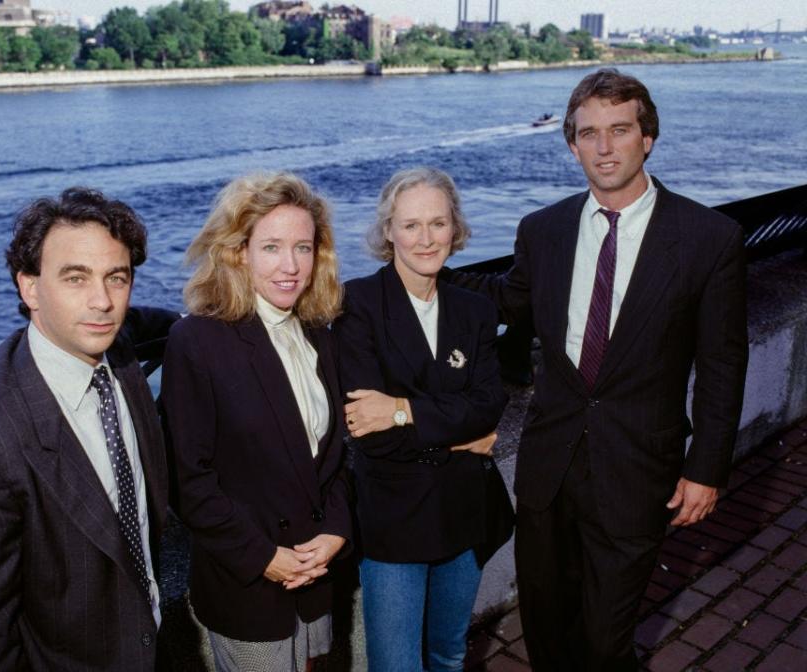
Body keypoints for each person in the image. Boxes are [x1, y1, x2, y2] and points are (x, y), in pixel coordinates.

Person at [450, 68, 748, 669]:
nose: (604, 147)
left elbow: (722, 362)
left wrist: (706, 468)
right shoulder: (544, 230)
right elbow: (507, 299)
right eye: (589, 133)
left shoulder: (708, 238)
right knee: (546, 626)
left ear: (648, 137)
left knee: (607, 638)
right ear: (572, 145)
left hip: (640, 469)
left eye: (619, 130)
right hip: (550, 467)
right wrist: (416, 272)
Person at [0, 188, 179, 670]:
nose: (102, 301)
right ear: (30, 288)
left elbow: (143, 322)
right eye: (75, 278)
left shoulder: (116, 354)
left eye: (116, 278)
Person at [161, 172, 351, 672]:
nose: (290, 266)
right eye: (271, 247)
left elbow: (333, 457)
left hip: (313, 575)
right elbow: (188, 481)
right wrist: (264, 556)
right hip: (246, 583)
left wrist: (335, 530)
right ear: (238, 252)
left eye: (303, 248)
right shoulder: (197, 341)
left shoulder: (317, 332)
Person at [332, 167, 509, 672]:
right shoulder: (357, 304)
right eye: (410, 225)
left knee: (448, 655)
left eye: (438, 223)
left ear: (456, 228)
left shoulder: (474, 309)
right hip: (393, 518)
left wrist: (401, 408)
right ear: (388, 230)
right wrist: (461, 440)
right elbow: (371, 438)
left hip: (464, 511)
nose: (426, 238)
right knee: (396, 666)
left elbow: (490, 403)